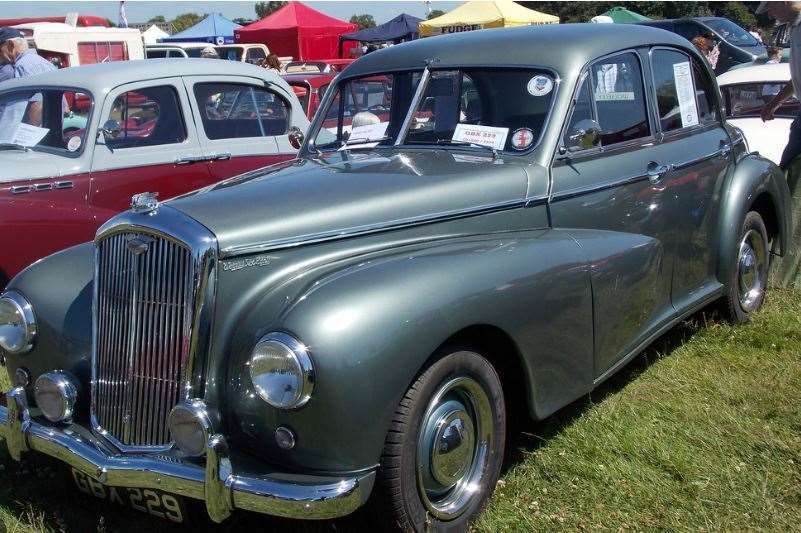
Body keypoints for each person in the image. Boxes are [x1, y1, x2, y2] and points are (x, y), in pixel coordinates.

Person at [759, 2, 801, 170]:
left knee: (790, 167)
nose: (770, 15)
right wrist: (774, 104)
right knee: (789, 167)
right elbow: (797, 78)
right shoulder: (794, 28)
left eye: (770, 7)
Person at [0, 27, 56, 134]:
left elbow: (38, 102)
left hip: (37, 134)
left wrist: (27, 134)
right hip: (52, 129)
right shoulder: (43, 62)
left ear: (10, 45)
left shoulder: (22, 65)